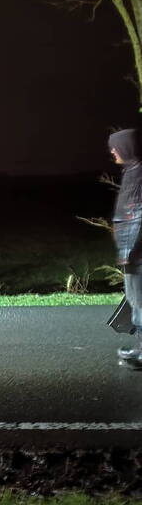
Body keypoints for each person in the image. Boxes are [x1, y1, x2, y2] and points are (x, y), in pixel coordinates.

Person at [110, 129, 142, 367]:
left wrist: (127, 250)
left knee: (139, 300)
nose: (112, 151)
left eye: (116, 146)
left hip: (138, 252)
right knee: (136, 299)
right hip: (134, 252)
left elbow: (137, 216)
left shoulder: (138, 175)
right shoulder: (133, 172)